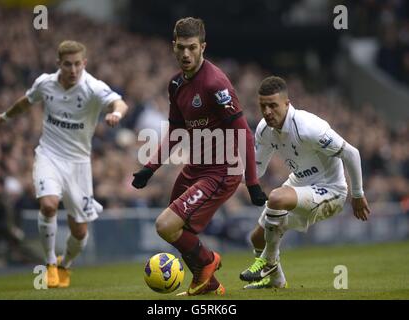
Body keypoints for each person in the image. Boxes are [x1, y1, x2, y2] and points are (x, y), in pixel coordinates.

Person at [131, 17, 267, 296]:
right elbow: (176, 130)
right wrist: (150, 167)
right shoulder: (176, 85)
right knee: (172, 230)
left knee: (165, 225)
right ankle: (208, 283)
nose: (186, 54)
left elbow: (244, 134)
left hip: (221, 172)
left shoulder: (216, 84)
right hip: (195, 168)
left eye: (192, 47)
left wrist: (252, 184)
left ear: (203, 47)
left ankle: (208, 261)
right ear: (173, 47)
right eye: (180, 48)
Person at [0, 40, 128, 288]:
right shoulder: (45, 83)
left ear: (84, 63)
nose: (73, 69)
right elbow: (26, 101)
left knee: (79, 232)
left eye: (77, 64)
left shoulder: (93, 87)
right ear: (58, 64)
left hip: (78, 164)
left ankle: (65, 265)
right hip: (49, 155)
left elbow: (120, 102)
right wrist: (5, 116)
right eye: (67, 64)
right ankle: (50, 263)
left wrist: (116, 114)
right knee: (49, 204)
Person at [239, 76, 371, 289]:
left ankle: (269, 262)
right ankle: (276, 281)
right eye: (263, 106)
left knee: (276, 198)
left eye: (273, 105)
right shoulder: (265, 129)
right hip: (300, 183)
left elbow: (352, 154)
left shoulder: (308, 127)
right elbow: (258, 168)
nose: (267, 112)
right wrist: (229, 177)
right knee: (257, 238)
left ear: (287, 104)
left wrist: (357, 194)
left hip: (331, 191)